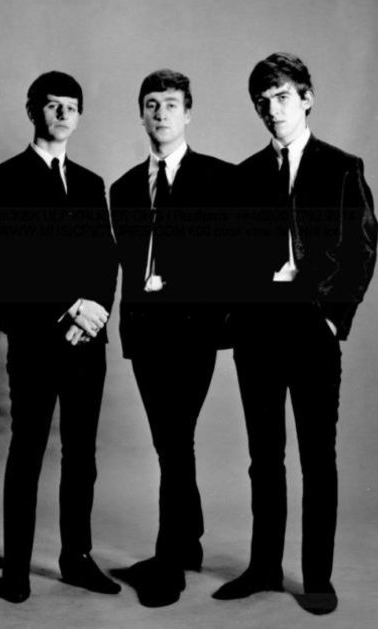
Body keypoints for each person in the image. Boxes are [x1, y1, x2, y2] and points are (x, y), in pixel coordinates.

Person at [212, 52, 377, 616]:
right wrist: (237, 319)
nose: (271, 109)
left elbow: (362, 246)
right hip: (258, 334)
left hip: (312, 331)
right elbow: (228, 258)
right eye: (262, 101)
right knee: (264, 458)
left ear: (306, 98)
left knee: (318, 459)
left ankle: (317, 577)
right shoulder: (244, 176)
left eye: (281, 97)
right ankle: (263, 568)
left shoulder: (341, 166)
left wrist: (333, 316)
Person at [110, 69, 236, 606]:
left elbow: (237, 258)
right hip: (145, 333)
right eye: (151, 104)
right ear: (141, 114)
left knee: (174, 436)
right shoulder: (121, 189)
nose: (160, 113)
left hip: (193, 333)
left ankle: (170, 560)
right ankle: (188, 541)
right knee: (171, 442)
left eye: (171, 104)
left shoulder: (219, 179)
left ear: (188, 114)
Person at [0, 71, 119, 603]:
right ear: (33, 111)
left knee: (82, 455)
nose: (63, 115)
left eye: (72, 106)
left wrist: (95, 311)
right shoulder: (7, 180)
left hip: (87, 345)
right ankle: (17, 568)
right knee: (26, 453)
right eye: (53, 106)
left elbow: (106, 257)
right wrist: (68, 307)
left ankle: (77, 558)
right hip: (35, 342)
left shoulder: (92, 183)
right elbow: (8, 266)